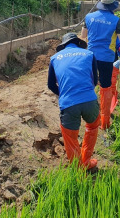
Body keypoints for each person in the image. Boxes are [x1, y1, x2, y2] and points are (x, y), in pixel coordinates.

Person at [48, 33, 99, 170]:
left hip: (68, 103)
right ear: (78, 43)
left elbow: (51, 85)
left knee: (70, 138)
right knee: (92, 126)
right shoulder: (89, 54)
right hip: (90, 100)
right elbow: (94, 81)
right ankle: (86, 161)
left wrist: (65, 94)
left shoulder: (54, 58)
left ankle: (78, 171)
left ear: (63, 46)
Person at [80, 0, 120, 130]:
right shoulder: (116, 20)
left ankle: (87, 113)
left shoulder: (89, 17)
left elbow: (83, 36)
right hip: (106, 58)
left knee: (90, 82)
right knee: (105, 87)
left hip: (90, 56)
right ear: (112, 6)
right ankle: (104, 121)